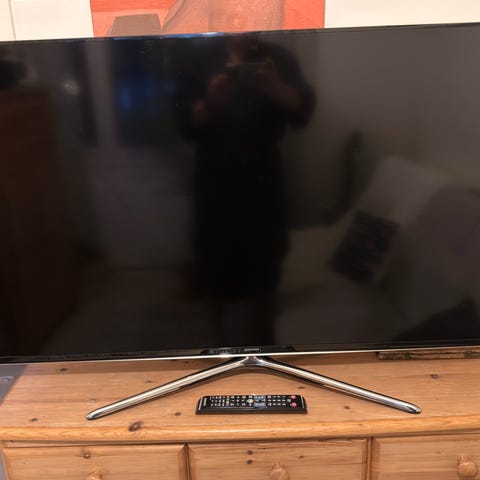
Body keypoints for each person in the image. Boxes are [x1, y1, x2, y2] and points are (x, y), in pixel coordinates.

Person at [175, 35, 315, 345]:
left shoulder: (279, 57)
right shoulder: (197, 59)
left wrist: (275, 88)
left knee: (267, 261)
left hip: (264, 177)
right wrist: (211, 103)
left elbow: (303, 111)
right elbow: (183, 121)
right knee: (213, 260)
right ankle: (219, 343)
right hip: (215, 176)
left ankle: (265, 341)